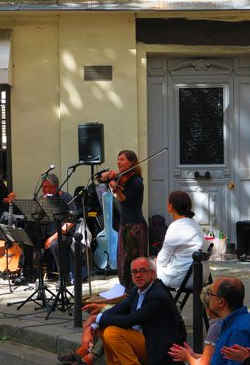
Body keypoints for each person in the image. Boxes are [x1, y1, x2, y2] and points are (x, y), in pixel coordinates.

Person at [59, 257, 184, 365]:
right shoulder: (137, 290)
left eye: (142, 271)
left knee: (112, 333)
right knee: (105, 328)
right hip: (144, 338)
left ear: (152, 273)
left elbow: (130, 320)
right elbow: (117, 309)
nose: (138, 275)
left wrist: (95, 318)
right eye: (134, 272)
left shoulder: (157, 295)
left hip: (159, 348)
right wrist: (91, 327)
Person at [100, 150, 147, 287]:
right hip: (125, 224)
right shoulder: (122, 178)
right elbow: (99, 180)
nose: (118, 162)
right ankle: (126, 289)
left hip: (135, 226)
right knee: (123, 260)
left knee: (131, 260)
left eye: (122, 159)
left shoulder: (136, 181)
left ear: (131, 162)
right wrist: (108, 176)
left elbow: (125, 201)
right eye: (118, 159)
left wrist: (117, 189)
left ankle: (133, 289)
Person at [156, 191, 205, 289]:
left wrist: (155, 261)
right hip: (200, 274)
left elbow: (162, 260)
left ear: (170, 206)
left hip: (183, 278)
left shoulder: (176, 227)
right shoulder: (194, 223)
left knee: (145, 269)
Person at [168, 284, 223, 365]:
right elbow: (213, 358)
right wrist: (193, 355)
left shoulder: (216, 327)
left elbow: (205, 363)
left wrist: (188, 357)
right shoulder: (227, 321)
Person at [208, 277, 250, 365]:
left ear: (221, 302)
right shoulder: (231, 322)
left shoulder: (240, 330)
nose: (209, 297)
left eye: (211, 294)